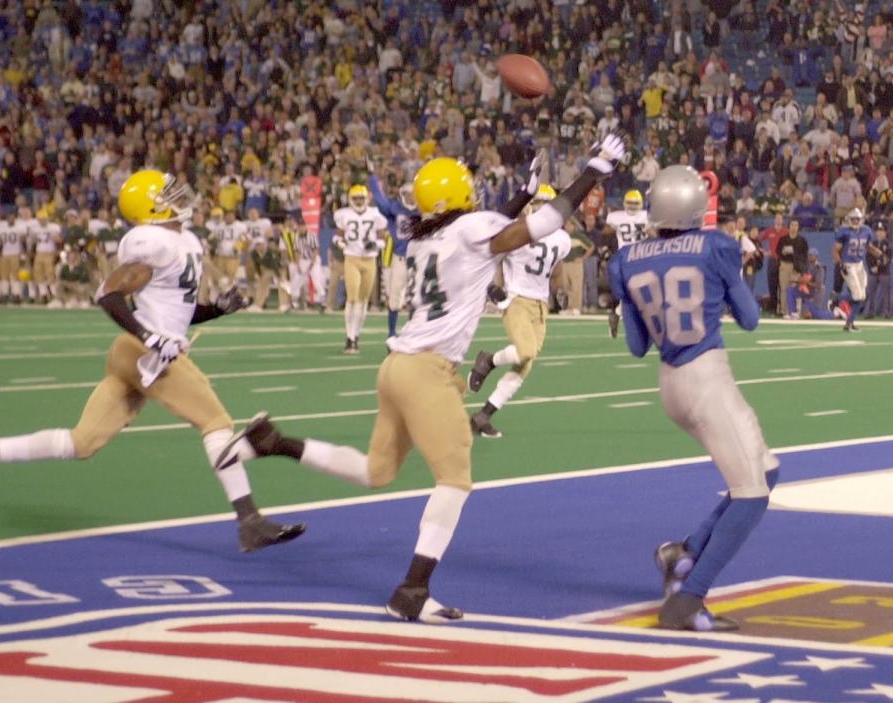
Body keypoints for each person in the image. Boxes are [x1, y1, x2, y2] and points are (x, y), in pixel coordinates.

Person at [213, 136, 627, 623]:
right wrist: (594, 170)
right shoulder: (472, 228)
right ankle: (412, 590)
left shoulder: (424, 236)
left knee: (376, 472)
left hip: (397, 367)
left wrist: (519, 193)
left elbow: (487, 233)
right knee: (454, 479)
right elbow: (541, 222)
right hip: (428, 371)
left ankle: (273, 442)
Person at [0, 169, 305, 553]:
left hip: (136, 352)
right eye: (167, 193)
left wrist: (215, 309)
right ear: (150, 206)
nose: (179, 196)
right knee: (216, 423)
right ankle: (249, 521)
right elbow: (109, 293)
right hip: (143, 352)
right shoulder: (155, 243)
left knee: (82, 442)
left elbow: (175, 314)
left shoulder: (182, 241)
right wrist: (148, 336)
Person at [608, 164, 780, 632]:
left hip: (669, 382)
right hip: (706, 377)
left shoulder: (626, 259)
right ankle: (689, 599)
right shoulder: (715, 245)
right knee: (750, 496)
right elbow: (749, 319)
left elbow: (636, 345)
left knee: (767, 468)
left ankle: (682, 553)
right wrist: (724, 288)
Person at [467, 185, 572, 438]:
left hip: (540, 305)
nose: (541, 208)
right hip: (516, 300)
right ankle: (488, 361)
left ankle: (484, 416)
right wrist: (494, 286)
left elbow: (556, 269)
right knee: (525, 352)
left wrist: (560, 290)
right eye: (538, 203)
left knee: (526, 363)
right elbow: (495, 259)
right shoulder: (517, 230)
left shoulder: (562, 238)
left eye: (547, 203)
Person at [333, 185, 389, 353]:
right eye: (355, 198)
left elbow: (383, 239)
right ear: (350, 200)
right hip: (352, 258)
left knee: (363, 300)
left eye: (361, 198)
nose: (358, 201)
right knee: (352, 298)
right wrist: (341, 243)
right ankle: (350, 337)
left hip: (370, 259)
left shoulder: (375, 214)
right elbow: (337, 236)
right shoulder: (344, 215)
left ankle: (356, 334)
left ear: (366, 199)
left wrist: (376, 244)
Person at [368, 164, 416, 338]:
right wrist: (372, 178)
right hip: (401, 258)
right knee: (395, 297)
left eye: (414, 195)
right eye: (409, 195)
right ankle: (391, 333)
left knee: (416, 298)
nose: (412, 199)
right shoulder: (396, 209)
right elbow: (380, 199)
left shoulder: (423, 211)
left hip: (420, 260)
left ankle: (412, 332)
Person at [604, 189, 649, 337]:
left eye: (634, 203)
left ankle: (617, 314)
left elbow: (605, 231)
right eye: (631, 203)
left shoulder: (616, 217)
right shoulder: (646, 216)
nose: (632, 206)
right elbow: (655, 233)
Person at [832, 208, 880, 331]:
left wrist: (878, 253)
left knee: (862, 296)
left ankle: (849, 323)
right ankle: (836, 298)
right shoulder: (845, 232)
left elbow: (868, 247)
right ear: (849, 220)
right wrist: (839, 263)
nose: (855, 221)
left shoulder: (866, 231)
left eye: (857, 219)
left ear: (861, 219)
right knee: (857, 295)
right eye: (853, 219)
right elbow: (835, 250)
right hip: (848, 264)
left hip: (859, 264)